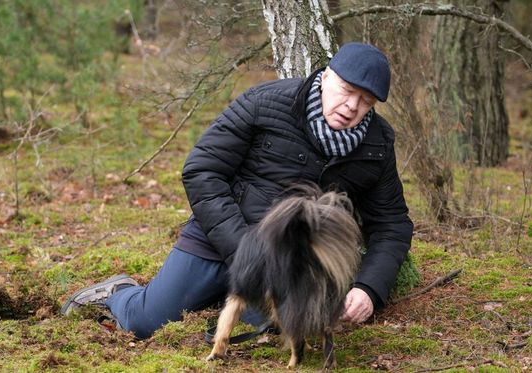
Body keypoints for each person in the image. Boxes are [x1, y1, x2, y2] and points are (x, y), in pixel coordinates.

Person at [61, 42, 414, 339]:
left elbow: (392, 224)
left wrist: (368, 287)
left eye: (366, 101)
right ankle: (119, 292)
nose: (352, 106)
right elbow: (202, 170)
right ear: (325, 77)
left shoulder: (377, 144)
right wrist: (244, 249)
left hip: (290, 267)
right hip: (220, 240)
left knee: (261, 337)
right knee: (144, 323)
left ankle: (228, 301)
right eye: (347, 91)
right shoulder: (266, 102)